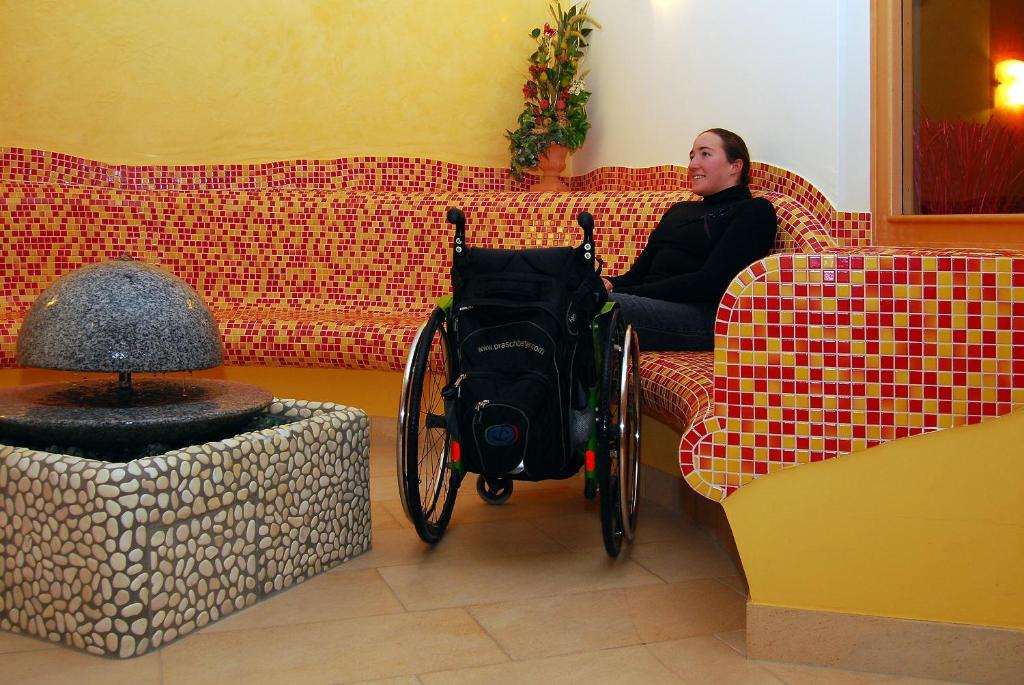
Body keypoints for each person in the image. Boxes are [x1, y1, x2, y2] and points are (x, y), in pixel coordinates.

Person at [602, 128, 778, 350]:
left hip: (703, 316)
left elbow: (710, 283)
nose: (693, 164)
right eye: (692, 156)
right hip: (651, 304)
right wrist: (609, 283)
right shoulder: (680, 210)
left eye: (705, 154)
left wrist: (620, 294)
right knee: (570, 290)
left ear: (735, 166)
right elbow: (636, 276)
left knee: (595, 304)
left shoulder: (753, 211)